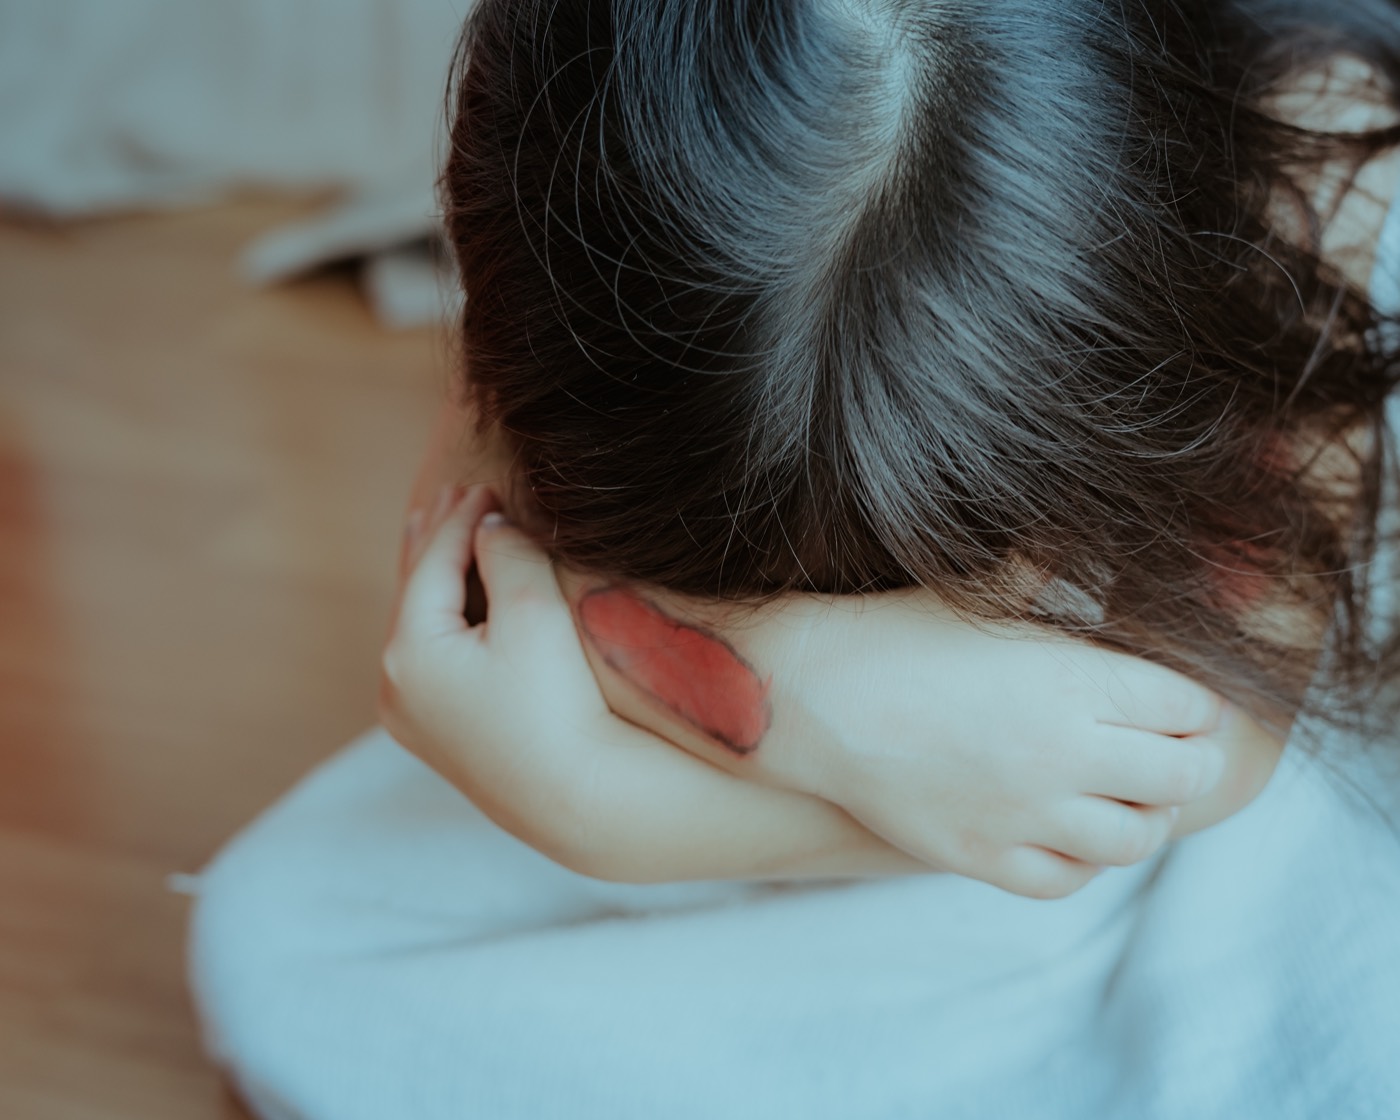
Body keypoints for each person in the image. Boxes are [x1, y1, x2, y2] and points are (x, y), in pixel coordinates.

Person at [188, 1, 1400, 1117]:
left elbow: (1224, 744)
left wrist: (628, 809)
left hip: (1158, 731)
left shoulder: (1314, 135)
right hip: (969, 790)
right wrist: (825, 710)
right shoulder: (601, 138)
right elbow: (478, 571)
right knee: (275, 938)